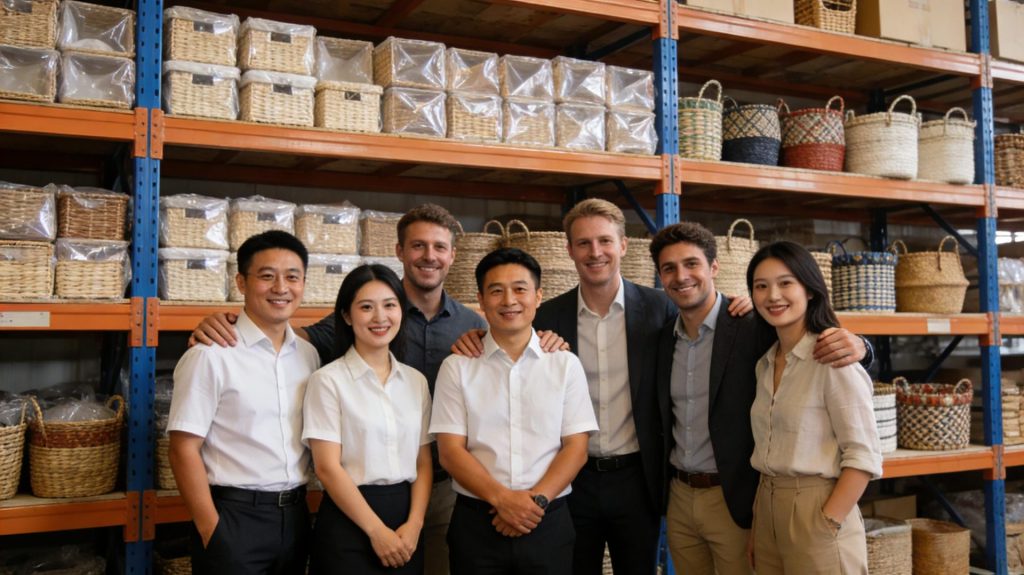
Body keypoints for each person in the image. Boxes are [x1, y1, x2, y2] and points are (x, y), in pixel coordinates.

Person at [451, 200, 750, 575]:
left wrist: (745, 303)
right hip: (571, 478)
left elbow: (706, 315)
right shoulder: (547, 315)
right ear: (569, 250)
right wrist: (474, 338)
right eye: (584, 243)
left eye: (605, 241)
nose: (595, 252)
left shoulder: (662, 308)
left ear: (623, 245)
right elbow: (506, 327)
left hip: (637, 479)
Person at [190, 203, 488, 575]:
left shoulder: (472, 324)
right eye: (418, 246)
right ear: (399, 252)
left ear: (452, 255)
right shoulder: (327, 369)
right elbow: (280, 329)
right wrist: (229, 322)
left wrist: (413, 523)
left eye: (439, 247)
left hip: (440, 493)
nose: (429, 256)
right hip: (347, 511)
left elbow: (512, 342)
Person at [651, 223, 871, 575]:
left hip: (737, 497)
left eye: (692, 263)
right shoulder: (762, 360)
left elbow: (862, 449)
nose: (681, 276)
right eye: (669, 268)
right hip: (698, 498)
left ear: (714, 268)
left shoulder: (750, 327)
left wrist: (863, 346)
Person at [430, 248, 598, 574]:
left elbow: (576, 449)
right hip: (477, 522)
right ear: (480, 299)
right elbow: (450, 452)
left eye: (520, 289)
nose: (509, 300)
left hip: (548, 520)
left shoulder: (564, 364)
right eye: (496, 290)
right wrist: (503, 500)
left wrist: (534, 504)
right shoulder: (457, 367)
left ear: (538, 296)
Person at [167, 230, 320, 574]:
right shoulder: (211, 355)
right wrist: (212, 530)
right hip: (234, 518)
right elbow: (182, 449)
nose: (281, 287)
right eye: (267, 276)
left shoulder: (309, 356)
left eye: (292, 277)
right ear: (241, 282)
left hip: (296, 516)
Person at [746, 241, 881, 574]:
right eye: (761, 286)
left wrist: (828, 523)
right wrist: (761, 523)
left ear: (809, 290)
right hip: (766, 507)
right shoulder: (764, 363)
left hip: (816, 507)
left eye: (785, 283)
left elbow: (863, 457)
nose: (772, 295)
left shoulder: (834, 360)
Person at [303, 264, 433, 574]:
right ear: (347, 316)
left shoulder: (415, 382)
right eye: (366, 307)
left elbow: (423, 462)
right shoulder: (327, 381)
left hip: (406, 521)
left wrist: (415, 525)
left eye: (389, 305)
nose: (380, 318)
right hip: (349, 521)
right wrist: (376, 531)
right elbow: (327, 467)